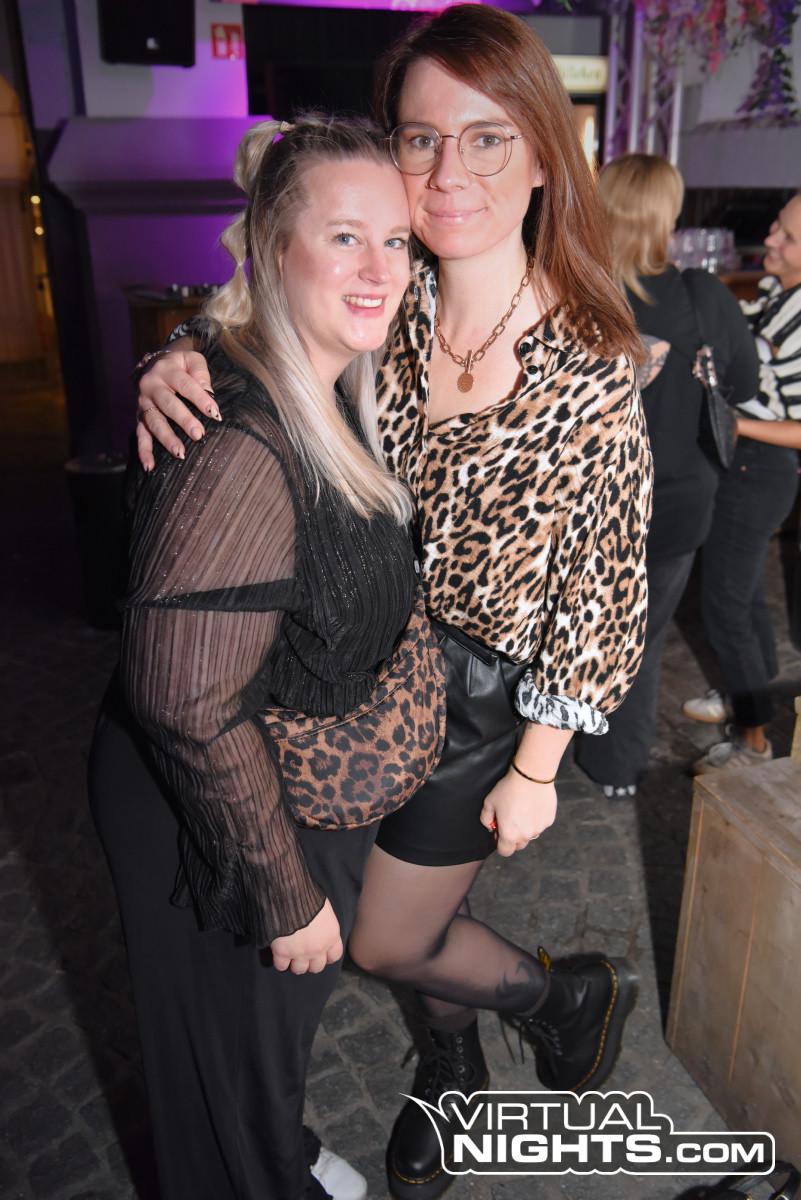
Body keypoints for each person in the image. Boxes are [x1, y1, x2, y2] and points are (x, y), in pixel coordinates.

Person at [132, 9, 652, 1199]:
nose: (448, 171)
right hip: (355, 668)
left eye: (487, 137)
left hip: (480, 701)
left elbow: (605, 593)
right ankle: (452, 1058)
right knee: (372, 906)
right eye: (421, 138)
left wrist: (537, 766)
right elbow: (265, 314)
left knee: (386, 935)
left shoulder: (591, 367)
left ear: (542, 154)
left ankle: (563, 996)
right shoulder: (392, 295)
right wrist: (180, 353)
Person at [88, 115, 444, 1200]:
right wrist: (284, 892)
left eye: (395, 240)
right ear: (273, 248)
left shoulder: (328, 378)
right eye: (344, 237)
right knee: (226, 1052)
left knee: (261, 1037)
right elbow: (184, 700)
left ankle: (276, 1151)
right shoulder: (245, 440)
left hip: (285, 762)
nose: (380, 267)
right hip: (214, 795)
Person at [573, 154, 759, 797]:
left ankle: (538, 742)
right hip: (675, 501)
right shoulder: (702, 295)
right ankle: (615, 767)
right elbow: (744, 384)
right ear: (666, 216)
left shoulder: (569, 294)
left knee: (573, 624)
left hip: (586, 500)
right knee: (642, 636)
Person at [686, 192, 801, 773]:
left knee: (725, 604)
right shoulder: (781, 294)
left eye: (788, 238)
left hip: (761, 468)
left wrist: (736, 424)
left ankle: (753, 740)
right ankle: (748, 691)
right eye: (777, 227)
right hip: (751, 464)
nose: (771, 241)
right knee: (745, 592)